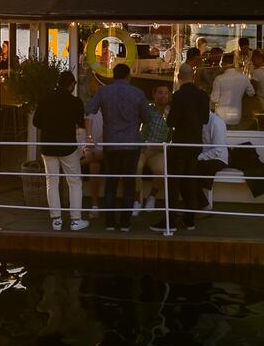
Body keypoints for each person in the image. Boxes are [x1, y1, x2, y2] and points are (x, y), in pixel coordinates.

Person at [84, 62, 149, 231]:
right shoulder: (138, 93)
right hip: (131, 143)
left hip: (111, 143)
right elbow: (147, 117)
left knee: (111, 183)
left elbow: (90, 110)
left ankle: (110, 222)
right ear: (128, 76)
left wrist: (89, 135)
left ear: (113, 75)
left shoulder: (103, 91)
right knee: (129, 183)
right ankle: (125, 223)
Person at [155, 64, 209, 233]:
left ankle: (169, 221)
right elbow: (206, 120)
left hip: (180, 143)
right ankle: (189, 220)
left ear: (179, 77)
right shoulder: (203, 95)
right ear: (193, 76)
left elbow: (171, 122)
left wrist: (166, 114)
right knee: (190, 180)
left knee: (174, 182)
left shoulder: (178, 96)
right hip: (195, 143)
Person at [33, 71, 88, 231]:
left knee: (52, 182)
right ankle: (75, 220)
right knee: (74, 182)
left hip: (48, 146)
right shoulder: (75, 101)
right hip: (67, 147)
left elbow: (36, 121)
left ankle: (56, 220)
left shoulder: (45, 99)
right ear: (71, 84)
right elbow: (81, 123)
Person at [135, 83, 170, 216]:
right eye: (160, 92)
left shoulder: (171, 113)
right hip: (143, 149)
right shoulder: (147, 110)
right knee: (136, 167)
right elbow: (136, 125)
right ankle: (137, 199)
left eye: (166, 93)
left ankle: (152, 197)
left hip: (159, 150)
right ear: (154, 95)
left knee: (161, 170)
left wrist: (160, 146)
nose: (163, 96)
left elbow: (172, 136)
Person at [210, 52, 254, 127]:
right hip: (236, 116)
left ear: (223, 62)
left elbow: (214, 99)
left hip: (221, 117)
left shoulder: (219, 79)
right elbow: (251, 93)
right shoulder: (244, 77)